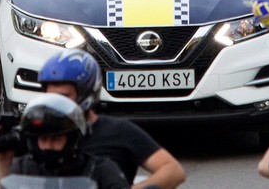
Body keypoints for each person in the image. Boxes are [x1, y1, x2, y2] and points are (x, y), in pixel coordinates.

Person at [20, 49, 186, 189]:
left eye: (64, 96)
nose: (56, 104)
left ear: (86, 95)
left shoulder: (119, 131)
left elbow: (172, 170)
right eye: (51, 96)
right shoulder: (39, 136)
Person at [8, 94, 130, 189]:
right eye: (43, 139)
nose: (49, 146)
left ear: (73, 139)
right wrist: (3, 159)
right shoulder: (23, 169)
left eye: (56, 139)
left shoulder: (101, 170)